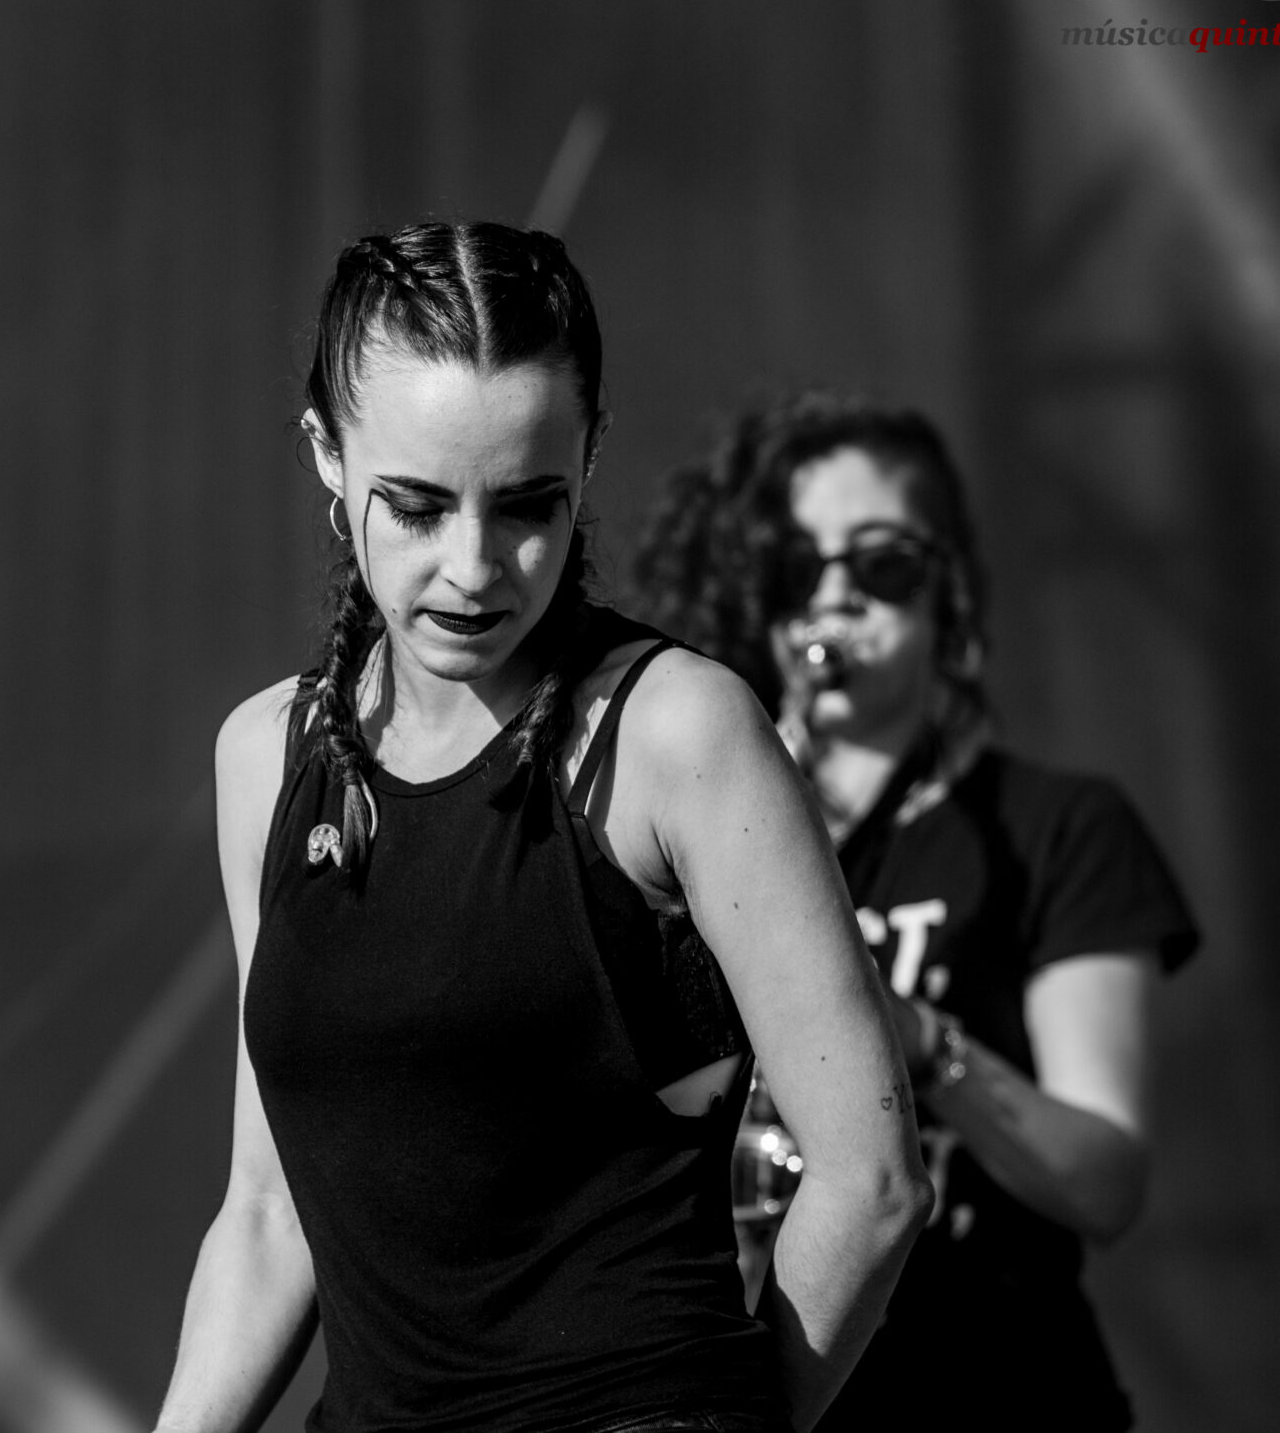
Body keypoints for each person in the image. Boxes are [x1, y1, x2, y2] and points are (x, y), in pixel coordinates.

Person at [155, 225, 932, 1433]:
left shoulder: (679, 732)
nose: (473, 567)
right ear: (324, 455)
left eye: (526, 505)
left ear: (590, 457)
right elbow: (267, 1214)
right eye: (416, 507)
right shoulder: (264, 756)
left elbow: (871, 1181)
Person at [633, 392, 1201, 1433]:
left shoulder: (1058, 827)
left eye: (881, 565)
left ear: (951, 591)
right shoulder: (705, 828)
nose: (833, 598)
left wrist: (911, 1038)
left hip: (999, 1387)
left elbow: (1105, 1182)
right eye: (796, 568)